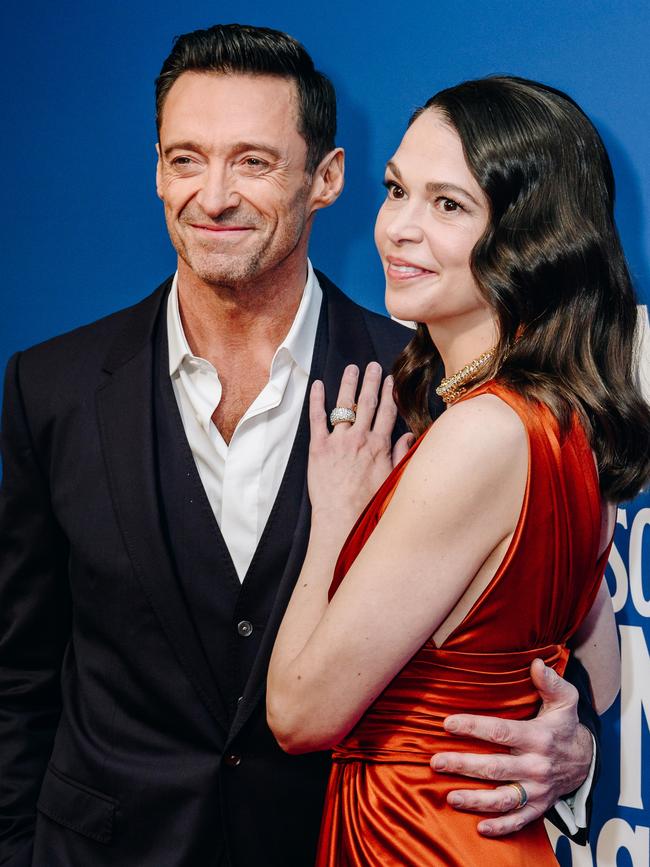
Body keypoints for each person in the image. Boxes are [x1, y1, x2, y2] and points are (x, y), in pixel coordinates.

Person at [0, 24, 598, 866]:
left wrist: (572, 750)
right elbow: (20, 673)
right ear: (155, 168)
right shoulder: (50, 386)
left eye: (252, 161)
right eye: (184, 158)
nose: (212, 196)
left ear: (326, 178)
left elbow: (532, 634)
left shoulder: (424, 387)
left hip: (335, 844)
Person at [267, 75, 650, 865]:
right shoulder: (565, 426)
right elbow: (599, 684)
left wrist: (336, 517)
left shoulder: (480, 433)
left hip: (417, 842)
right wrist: (564, 735)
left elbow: (299, 713)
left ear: (529, 237)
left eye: (448, 205)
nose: (398, 228)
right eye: (397, 189)